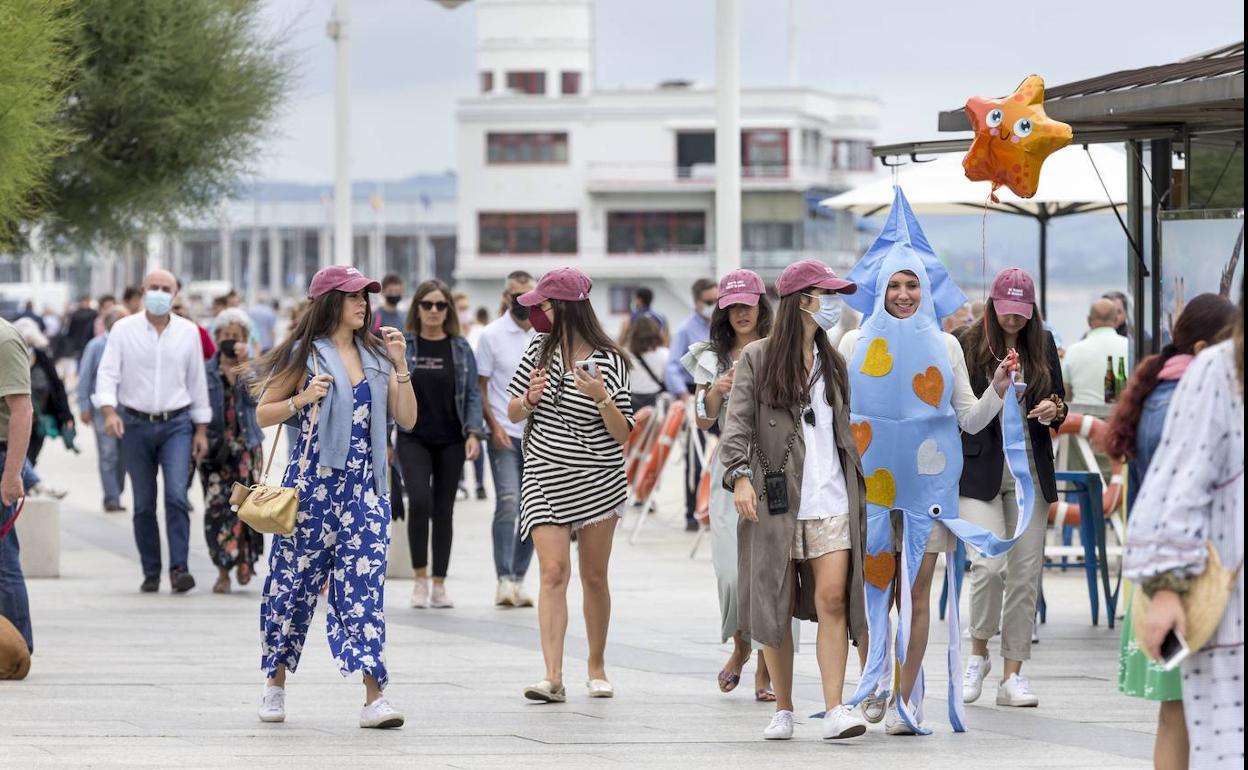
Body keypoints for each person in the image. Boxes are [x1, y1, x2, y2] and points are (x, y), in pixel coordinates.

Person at [839, 254, 1017, 735]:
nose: (902, 294)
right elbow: (839, 417)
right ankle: (874, 682)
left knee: (916, 597)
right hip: (872, 494)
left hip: (928, 495)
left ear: (926, 292)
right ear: (879, 290)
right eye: (894, 284)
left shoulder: (945, 346)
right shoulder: (854, 342)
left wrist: (997, 390)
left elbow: (969, 420)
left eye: (912, 285)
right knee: (877, 592)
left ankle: (903, 700)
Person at [251, 264, 416, 728]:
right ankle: (274, 684)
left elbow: (407, 419)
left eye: (365, 296)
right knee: (292, 588)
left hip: (366, 489)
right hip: (311, 491)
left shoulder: (378, 356)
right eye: (352, 297)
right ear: (329, 303)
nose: (362, 304)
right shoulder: (305, 357)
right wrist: (301, 401)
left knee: (364, 592)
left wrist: (401, 366)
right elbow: (264, 413)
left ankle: (374, 697)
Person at [719, 259, 869, 741]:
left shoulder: (835, 362)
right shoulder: (758, 359)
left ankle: (835, 708)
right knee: (775, 602)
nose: (832, 304)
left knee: (833, 600)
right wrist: (740, 478)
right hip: (776, 502)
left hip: (832, 499)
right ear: (802, 300)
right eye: (825, 294)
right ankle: (783, 708)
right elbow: (737, 426)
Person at [1106, 293, 1234, 770]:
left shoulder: (1156, 390)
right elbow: (1182, 499)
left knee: (1175, 714)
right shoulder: (1188, 400)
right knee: (1188, 713)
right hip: (1188, 585)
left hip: (1160, 581)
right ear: (1203, 350)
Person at [506, 267, 634, 704]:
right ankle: (552, 675)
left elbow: (622, 433)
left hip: (598, 477)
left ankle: (596, 666)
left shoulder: (609, 359)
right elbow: (512, 412)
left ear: (563, 307)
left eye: (542, 305)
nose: (536, 313)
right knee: (553, 571)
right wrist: (529, 400)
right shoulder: (536, 352)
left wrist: (601, 396)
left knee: (594, 577)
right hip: (543, 472)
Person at [959, 268, 1065, 709]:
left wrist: (1050, 408)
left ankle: (1012, 674)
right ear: (993, 305)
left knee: (1025, 574)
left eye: (1022, 313)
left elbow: (1060, 403)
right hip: (980, 471)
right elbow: (957, 410)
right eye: (1007, 312)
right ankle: (978, 653)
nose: (1014, 320)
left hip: (1031, 474)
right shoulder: (967, 345)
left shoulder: (1043, 344)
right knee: (989, 565)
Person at [680, 268, 775, 701]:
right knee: (732, 572)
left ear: (761, 305)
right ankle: (739, 647)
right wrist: (717, 390)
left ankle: (768, 670)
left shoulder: (781, 348)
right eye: (732, 306)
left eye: (747, 304)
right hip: (728, 463)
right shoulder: (709, 354)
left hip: (776, 460)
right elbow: (702, 418)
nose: (741, 313)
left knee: (774, 572)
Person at [94, 270, 212, 593]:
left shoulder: (189, 332)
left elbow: (196, 383)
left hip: (177, 424)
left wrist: (201, 429)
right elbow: (107, 374)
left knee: (176, 496)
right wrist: (108, 411)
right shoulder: (123, 329)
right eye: (154, 288)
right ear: (143, 291)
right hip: (134, 424)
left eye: (166, 289)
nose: (160, 293)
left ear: (175, 295)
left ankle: (179, 568)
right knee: (144, 503)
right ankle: (150, 570)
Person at [396, 279, 484, 610]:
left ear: (448, 310)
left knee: (444, 510)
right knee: (419, 501)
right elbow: (391, 391)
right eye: (427, 304)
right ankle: (419, 579)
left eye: (440, 305)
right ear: (417, 308)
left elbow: (473, 394)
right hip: (412, 437)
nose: (434, 311)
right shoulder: (405, 345)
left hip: (451, 439)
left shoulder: (460, 348)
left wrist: (474, 433)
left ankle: (439, 583)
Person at [476, 271, 538, 608]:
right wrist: (493, 425)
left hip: (538, 437)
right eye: (517, 295)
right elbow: (481, 388)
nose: (523, 301)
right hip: (504, 433)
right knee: (509, 502)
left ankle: (518, 578)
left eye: (529, 295)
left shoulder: (546, 333)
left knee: (533, 508)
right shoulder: (491, 335)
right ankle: (503, 578)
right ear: (506, 296)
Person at [200, 309, 266, 594]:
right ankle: (222, 569)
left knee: (247, 507)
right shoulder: (204, 370)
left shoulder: (251, 367)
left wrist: (243, 363)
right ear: (216, 338)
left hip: (246, 447)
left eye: (236, 337)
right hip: (216, 450)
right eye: (225, 336)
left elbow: (255, 398)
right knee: (216, 509)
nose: (230, 341)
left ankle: (244, 561)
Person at [666, 277, 719, 532]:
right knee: (694, 457)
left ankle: (718, 509)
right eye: (709, 302)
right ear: (697, 302)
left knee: (730, 450)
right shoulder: (684, 329)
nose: (714, 306)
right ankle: (691, 513)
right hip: (693, 392)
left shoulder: (724, 324)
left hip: (722, 392)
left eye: (717, 301)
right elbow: (672, 367)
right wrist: (684, 397)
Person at [0, 317, 35, 656]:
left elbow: (22, 410)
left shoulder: (4, 338)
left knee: (3, 558)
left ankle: (16, 651)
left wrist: (12, 474)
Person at [77, 307, 128, 512]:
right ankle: (111, 497)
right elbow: (85, 376)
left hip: (128, 409)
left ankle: (117, 491)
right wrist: (83, 406)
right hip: (102, 409)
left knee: (124, 456)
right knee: (108, 453)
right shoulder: (96, 345)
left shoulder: (130, 345)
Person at [11, 319, 74, 472]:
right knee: (15, 460)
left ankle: (24, 486)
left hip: (39, 420)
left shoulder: (43, 358)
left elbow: (57, 386)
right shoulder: (9, 357)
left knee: (31, 458)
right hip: (13, 420)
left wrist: (67, 416)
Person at [1061, 298, 1128, 403]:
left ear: (1088, 320)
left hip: (1082, 417)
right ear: (1116, 320)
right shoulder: (1129, 348)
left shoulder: (1073, 351)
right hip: (1118, 416)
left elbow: (1065, 394)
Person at [626, 315, 668, 412]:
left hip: (632, 402)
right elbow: (665, 378)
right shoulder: (664, 353)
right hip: (655, 402)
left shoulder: (626, 355)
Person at [171, 292, 217, 361]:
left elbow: (213, 359)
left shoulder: (200, 332)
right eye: (169, 308)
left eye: (177, 307)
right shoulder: (163, 332)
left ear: (187, 308)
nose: (173, 311)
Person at [58, 295, 98, 367]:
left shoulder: (78, 314)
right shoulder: (92, 313)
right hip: (80, 340)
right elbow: (71, 328)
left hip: (84, 339)